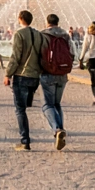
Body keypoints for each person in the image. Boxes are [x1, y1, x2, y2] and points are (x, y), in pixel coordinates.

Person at [3, 10, 43, 151]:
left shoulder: (19, 34)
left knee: (20, 110)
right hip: (34, 76)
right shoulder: (38, 34)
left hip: (22, 75)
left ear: (20, 19)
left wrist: (8, 74)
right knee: (26, 106)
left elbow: (15, 57)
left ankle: (25, 141)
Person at [38, 14, 72, 150]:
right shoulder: (66, 35)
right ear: (58, 22)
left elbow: (38, 53)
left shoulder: (43, 35)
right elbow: (72, 53)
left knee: (47, 105)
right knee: (57, 104)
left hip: (47, 73)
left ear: (47, 23)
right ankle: (61, 131)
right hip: (62, 74)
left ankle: (57, 130)